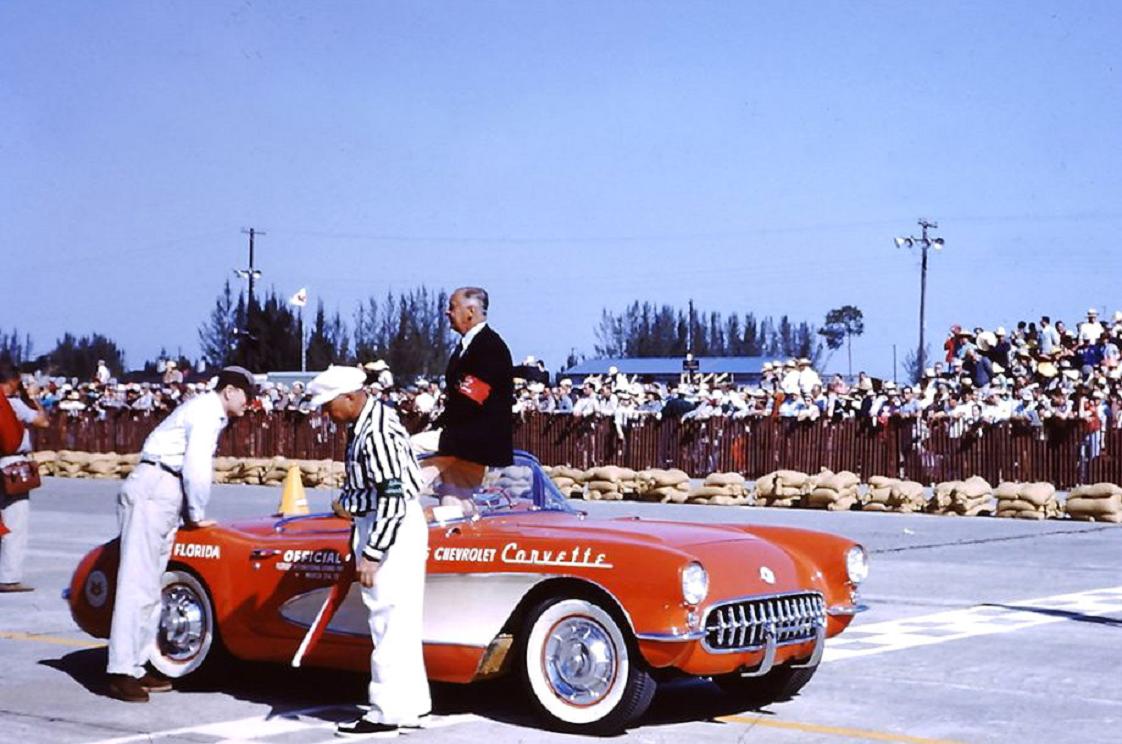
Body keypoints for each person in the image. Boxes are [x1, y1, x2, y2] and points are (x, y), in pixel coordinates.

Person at [105, 366, 256, 703]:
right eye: (247, 395)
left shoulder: (207, 411)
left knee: (151, 583)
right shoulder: (206, 412)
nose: (249, 403)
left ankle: (138, 663)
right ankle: (119, 670)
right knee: (137, 581)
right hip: (156, 485)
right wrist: (197, 514)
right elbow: (196, 467)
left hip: (165, 490)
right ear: (230, 391)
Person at [306, 365, 430, 738]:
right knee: (403, 623)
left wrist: (373, 552)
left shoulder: (374, 433)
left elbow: (393, 497)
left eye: (328, 406)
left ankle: (387, 712)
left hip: (388, 527)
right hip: (394, 524)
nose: (326, 413)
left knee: (387, 620)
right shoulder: (374, 420)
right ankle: (410, 706)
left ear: (349, 396)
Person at [430, 287, 513, 490]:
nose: (447, 312)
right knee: (456, 496)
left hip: (473, 440)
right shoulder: (467, 346)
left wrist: (440, 426)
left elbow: (471, 399)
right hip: (469, 437)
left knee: (407, 448)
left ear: (470, 311)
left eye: (452, 307)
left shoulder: (489, 347)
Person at [0, 367, 49, 593]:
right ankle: (9, 576)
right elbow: (42, 422)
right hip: (11, 466)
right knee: (14, 522)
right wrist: (34, 399)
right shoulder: (13, 404)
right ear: (13, 381)